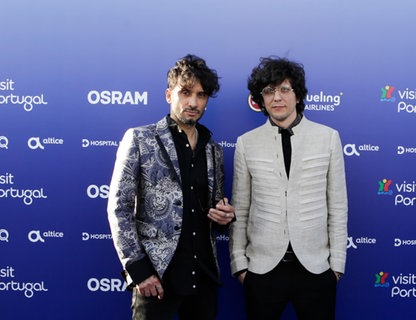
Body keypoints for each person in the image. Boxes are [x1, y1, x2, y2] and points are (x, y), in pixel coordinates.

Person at [107, 53, 235, 320]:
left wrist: (224, 217)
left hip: (203, 277)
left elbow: (214, 211)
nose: (193, 102)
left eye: (201, 95)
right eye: (185, 92)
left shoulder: (213, 150)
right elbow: (118, 208)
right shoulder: (140, 139)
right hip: (157, 278)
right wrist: (139, 271)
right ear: (169, 95)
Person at [229, 57, 348, 319]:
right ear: (261, 99)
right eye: (269, 91)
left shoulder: (328, 138)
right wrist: (240, 266)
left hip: (316, 269)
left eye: (284, 89)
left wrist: (336, 266)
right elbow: (241, 209)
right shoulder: (246, 144)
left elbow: (337, 207)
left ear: (298, 95)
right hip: (262, 270)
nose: (277, 98)